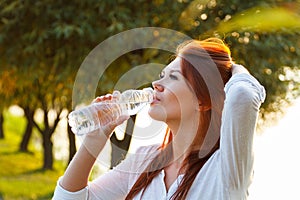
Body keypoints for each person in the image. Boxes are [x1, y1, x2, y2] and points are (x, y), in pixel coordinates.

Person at [53, 38, 265, 200]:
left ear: (203, 100)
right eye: (162, 75)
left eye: (173, 77)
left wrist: (231, 67)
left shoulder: (227, 167)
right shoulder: (146, 159)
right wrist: (96, 137)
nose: (156, 83)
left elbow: (243, 96)